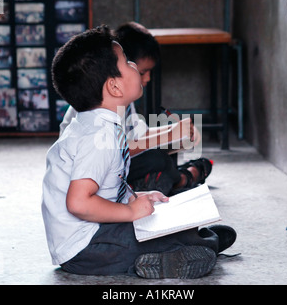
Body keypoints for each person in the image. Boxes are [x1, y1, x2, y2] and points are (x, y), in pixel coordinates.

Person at [42, 25, 233, 278]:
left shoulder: (103, 124)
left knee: (177, 227)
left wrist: (134, 197)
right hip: (87, 248)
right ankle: (186, 248)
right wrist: (131, 212)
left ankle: (194, 240)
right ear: (114, 87)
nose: (136, 69)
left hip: (97, 236)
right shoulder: (97, 136)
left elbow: (110, 182)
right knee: (184, 239)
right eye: (128, 63)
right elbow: (78, 203)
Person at [60, 22, 214, 196]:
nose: (147, 78)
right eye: (134, 68)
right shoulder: (93, 106)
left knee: (165, 150)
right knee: (157, 158)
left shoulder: (118, 99)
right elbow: (114, 150)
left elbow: (137, 137)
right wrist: (168, 135)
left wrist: (174, 131)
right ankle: (182, 178)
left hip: (109, 168)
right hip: (93, 175)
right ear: (111, 77)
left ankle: (173, 179)